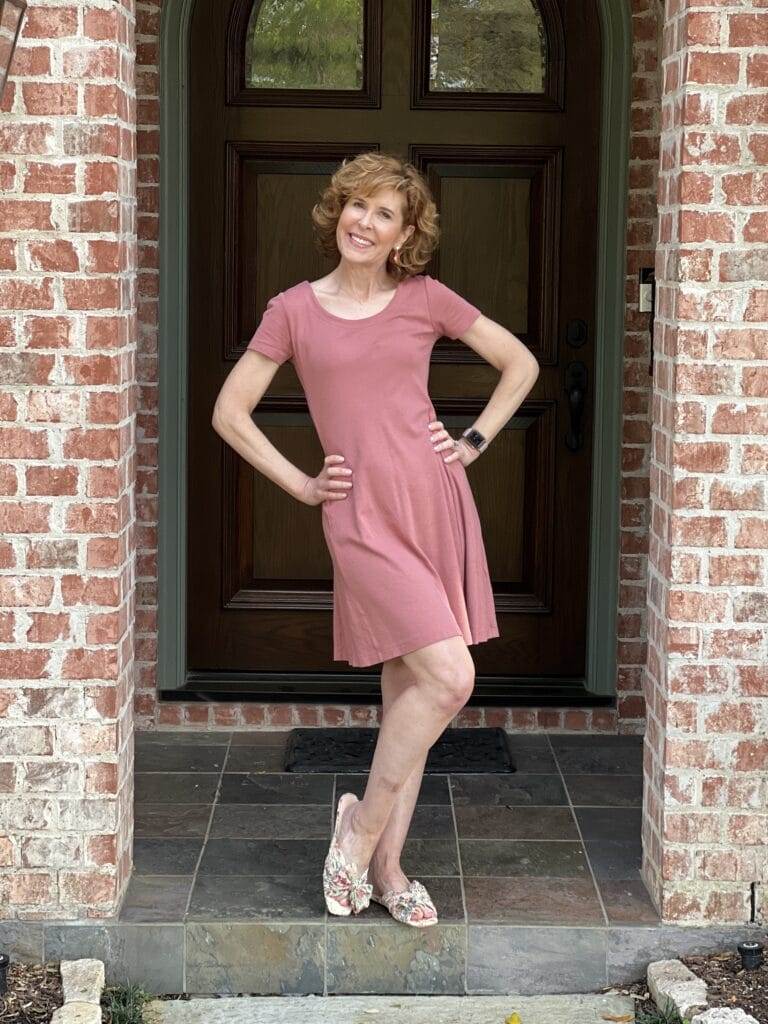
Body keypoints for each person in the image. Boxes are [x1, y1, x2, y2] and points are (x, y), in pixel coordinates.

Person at [211, 151, 539, 927]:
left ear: (405, 232)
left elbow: (519, 363)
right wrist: (299, 484)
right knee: (450, 679)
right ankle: (356, 836)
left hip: (433, 502)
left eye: (385, 212)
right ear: (337, 213)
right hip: (359, 518)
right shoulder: (293, 309)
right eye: (356, 205)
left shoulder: (424, 298)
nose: (366, 221)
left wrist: (474, 441)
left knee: (412, 694)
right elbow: (230, 412)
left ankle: (386, 867)